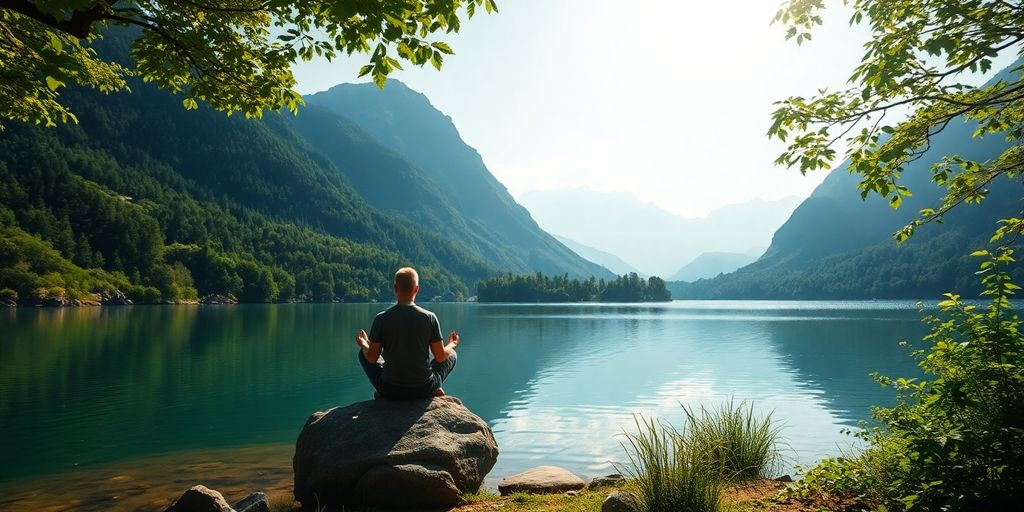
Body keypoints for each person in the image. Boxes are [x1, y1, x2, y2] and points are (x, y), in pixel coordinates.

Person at [355, 267, 460, 399]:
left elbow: (371, 358)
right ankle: (434, 388)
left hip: (390, 388)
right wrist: (452, 344)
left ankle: (384, 393)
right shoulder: (429, 317)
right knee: (452, 354)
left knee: (363, 354)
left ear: (395, 288)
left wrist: (364, 344)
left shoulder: (381, 318)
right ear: (417, 289)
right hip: (423, 388)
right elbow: (440, 356)